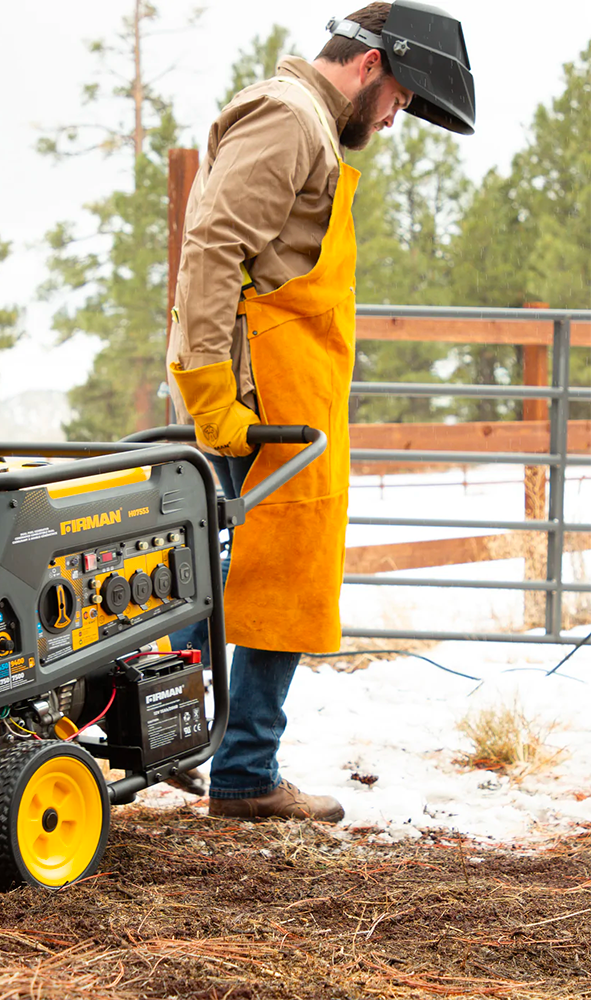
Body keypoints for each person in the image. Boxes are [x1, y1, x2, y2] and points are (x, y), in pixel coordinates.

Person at [166, 2, 475, 820]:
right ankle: (237, 771)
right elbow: (212, 249)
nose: (397, 116)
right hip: (259, 394)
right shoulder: (290, 116)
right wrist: (207, 389)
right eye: (402, 99)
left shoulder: (303, 121)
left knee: (247, 572)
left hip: (291, 386)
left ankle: (204, 750)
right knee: (264, 575)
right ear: (370, 66)